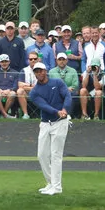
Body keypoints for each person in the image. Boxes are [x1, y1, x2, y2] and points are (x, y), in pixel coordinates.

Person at [30, 62, 72, 196]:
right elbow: (44, 106)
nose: (39, 74)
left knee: (56, 155)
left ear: (45, 71)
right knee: (41, 155)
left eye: (40, 71)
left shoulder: (57, 82)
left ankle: (57, 187)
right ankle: (50, 183)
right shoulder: (34, 92)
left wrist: (65, 109)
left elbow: (67, 95)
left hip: (60, 123)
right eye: (36, 72)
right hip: (45, 123)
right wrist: (57, 111)